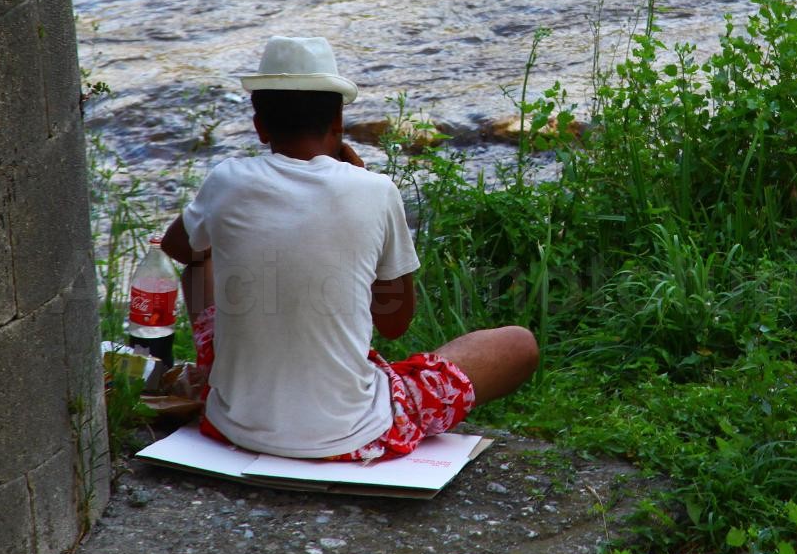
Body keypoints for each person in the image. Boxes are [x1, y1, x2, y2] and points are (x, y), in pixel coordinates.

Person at [159, 35, 538, 460]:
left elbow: (179, 247)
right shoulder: (375, 190)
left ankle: (224, 370)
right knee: (519, 344)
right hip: (353, 435)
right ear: (338, 120)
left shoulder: (226, 180)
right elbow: (395, 321)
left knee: (201, 251)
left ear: (259, 124)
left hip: (231, 423)